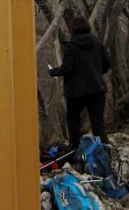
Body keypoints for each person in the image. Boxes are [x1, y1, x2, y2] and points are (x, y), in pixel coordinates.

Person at [48, 15, 112, 149]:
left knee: (73, 119)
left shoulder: (71, 46)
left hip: (77, 91)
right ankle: (105, 150)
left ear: (73, 29)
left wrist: (53, 72)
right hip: (97, 88)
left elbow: (67, 67)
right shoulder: (97, 43)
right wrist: (95, 74)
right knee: (97, 123)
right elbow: (107, 63)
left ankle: (75, 148)